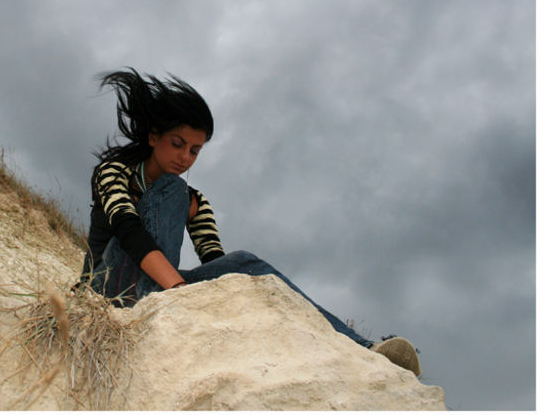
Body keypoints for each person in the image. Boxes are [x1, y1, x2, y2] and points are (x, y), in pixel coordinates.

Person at [79, 67, 422, 376]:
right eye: (178, 144)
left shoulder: (195, 203)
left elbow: (216, 265)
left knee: (242, 262)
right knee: (172, 189)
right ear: (154, 137)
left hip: (164, 291)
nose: (185, 158)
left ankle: (364, 348)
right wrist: (180, 292)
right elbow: (129, 231)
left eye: (195, 150)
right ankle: (168, 293)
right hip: (109, 289)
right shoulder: (114, 172)